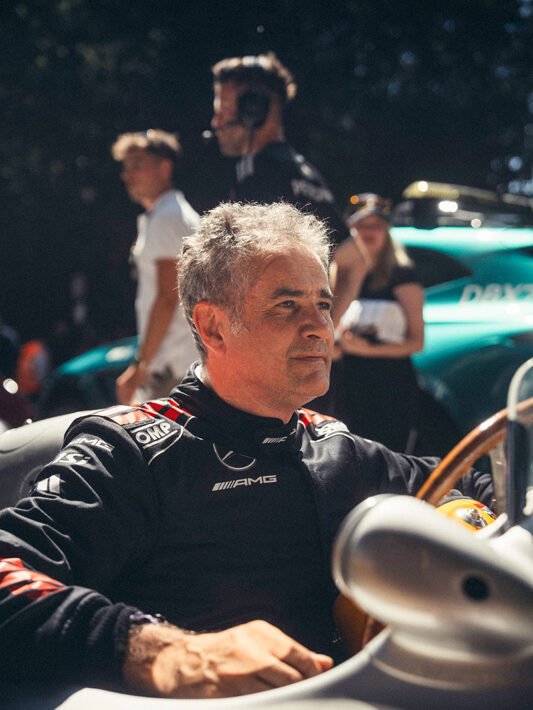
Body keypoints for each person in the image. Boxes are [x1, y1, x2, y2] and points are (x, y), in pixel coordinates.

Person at [0, 202, 492, 699]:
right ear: (213, 326)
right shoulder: (130, 453)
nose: (320, 327)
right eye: (288, 305)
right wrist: (161, 651)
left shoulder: (331, 443)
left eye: (323, 305)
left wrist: (479, 519)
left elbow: (468, 479)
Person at [211, 52, 349, 248]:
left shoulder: (255, 172)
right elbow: (353, 256)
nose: (215, 123)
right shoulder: (308, 174)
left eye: (223, 113)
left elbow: (249, 259)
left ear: (253, 110)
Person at [330, 194, 425, 452]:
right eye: (362, 225)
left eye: (377, 225)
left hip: (389, 385)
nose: (369, 232)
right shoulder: (340, 275)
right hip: (348, 384)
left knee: (388, 457)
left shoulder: (402, 275)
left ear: (387, 231)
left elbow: (417, 342)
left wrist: (368, 349)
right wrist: (339, 346)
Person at [112, 129, 199, 404]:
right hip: (179, 363)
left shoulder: (166, 218)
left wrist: (140, 366)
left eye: (137, 165)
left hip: (172, 368)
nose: (128, 175)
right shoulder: (168, 214)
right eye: (126, 167)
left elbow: (167, 297)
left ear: (165, 168)